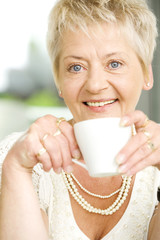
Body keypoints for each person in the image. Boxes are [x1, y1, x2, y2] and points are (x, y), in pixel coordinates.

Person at [0, 0, 160, 239]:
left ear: (147, 75)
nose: (95, 85)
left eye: (114, 64)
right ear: (59, 82)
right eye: (76, 67)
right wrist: (16, 168)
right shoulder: (18, 157)